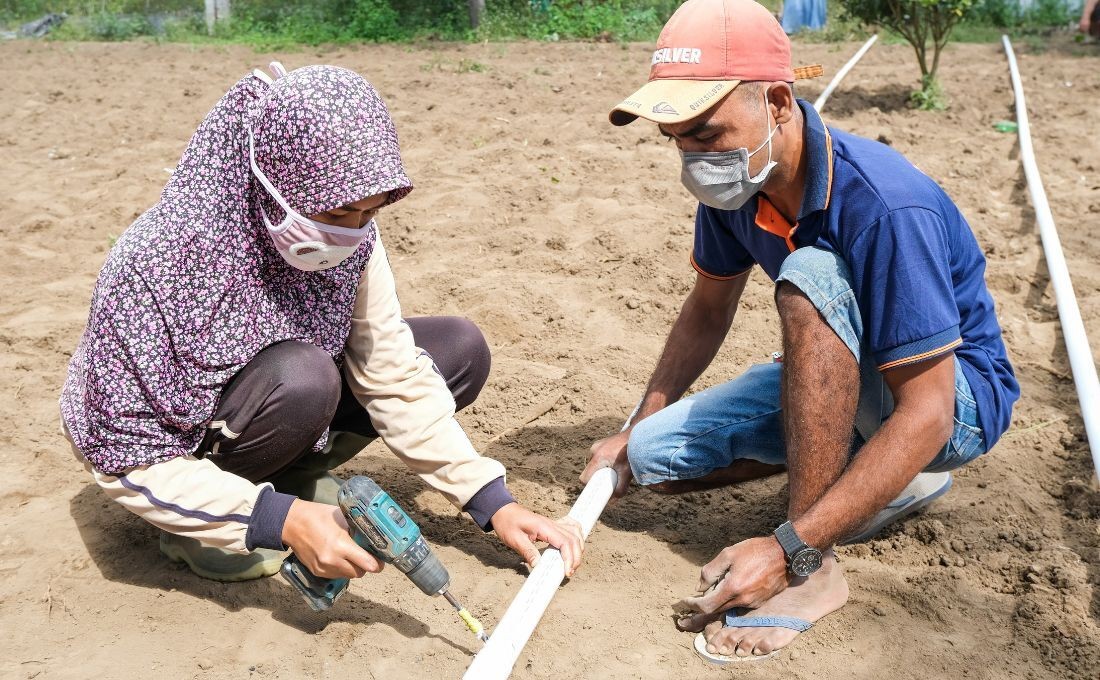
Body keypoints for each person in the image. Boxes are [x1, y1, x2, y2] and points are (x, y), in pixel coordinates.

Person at [583, 0, 1018, 664]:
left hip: (954, 402)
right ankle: (885, 482)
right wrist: (635, 423)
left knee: (810, 275)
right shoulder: (740, 186)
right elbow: (707, 309)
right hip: (854, 383)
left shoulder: (883, 203)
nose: (691, 157)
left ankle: (816, 571)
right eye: (675, 137)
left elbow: (927, 413)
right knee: (652, 459)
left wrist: (789, 549)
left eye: (705, 133)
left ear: (778, 103)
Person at [61, 62, 583, 584]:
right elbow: (125, 455)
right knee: (306, 376)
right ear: (274, 185)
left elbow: (392, 372)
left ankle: (292, 478)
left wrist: (491, 501)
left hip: (270, 402)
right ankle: (212, 522)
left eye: (369, 213)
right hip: (181, 449)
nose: (353, 232)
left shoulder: (353, 237)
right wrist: (278, 521)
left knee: (458, 350)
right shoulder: (157, 260)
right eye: (336, 215)